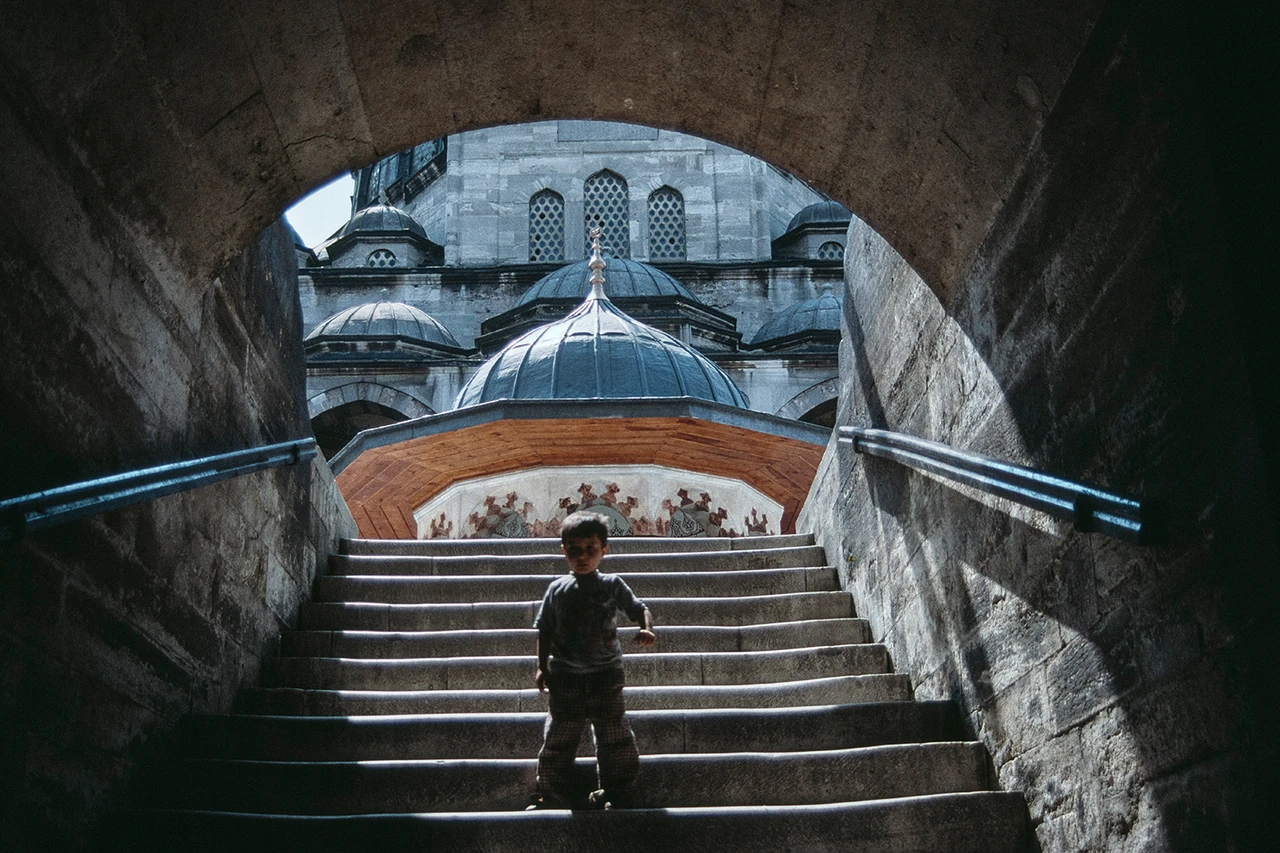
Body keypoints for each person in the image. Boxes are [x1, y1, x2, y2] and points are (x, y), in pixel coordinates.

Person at [527, 510, 656, 810]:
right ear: (563, 550)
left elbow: (639, 608)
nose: (582, 557)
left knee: (614, 735)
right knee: (559, 736)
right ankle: (550, 793)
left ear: (603, 550)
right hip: (565, 675)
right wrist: (541, 666)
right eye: (574, 550)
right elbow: (544, 629)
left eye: (590, 549)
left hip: (605, 673)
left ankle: (618, 790)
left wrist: (646, 628)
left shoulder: (612, 584)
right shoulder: (556, 589)